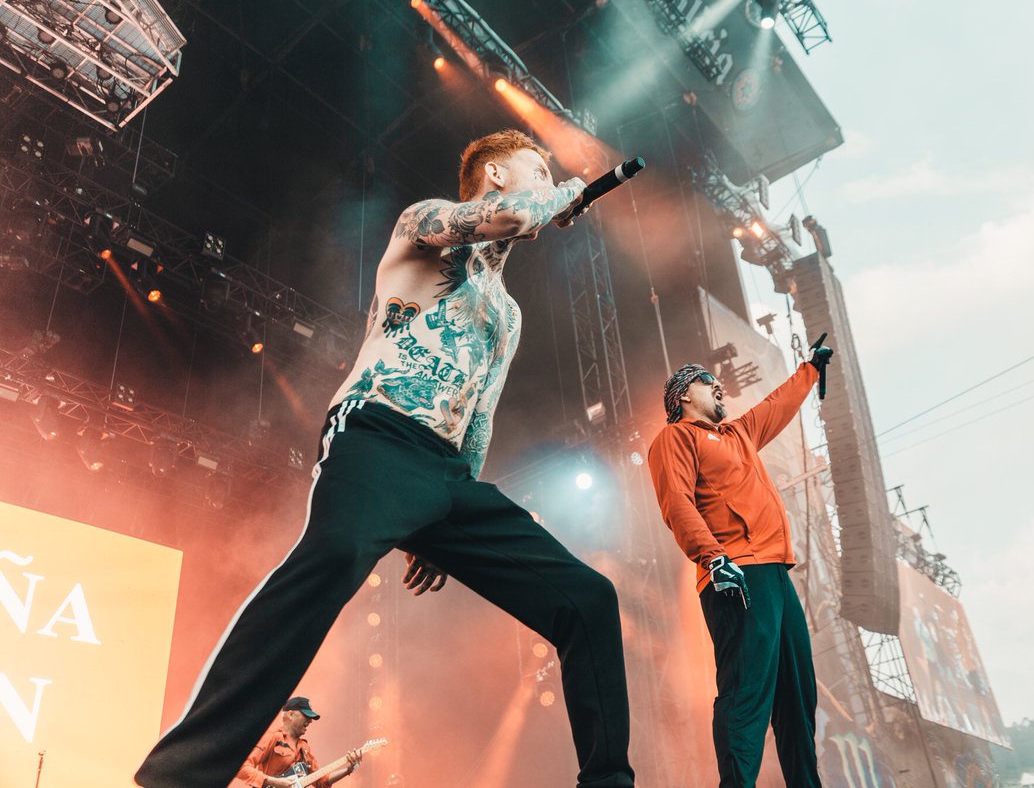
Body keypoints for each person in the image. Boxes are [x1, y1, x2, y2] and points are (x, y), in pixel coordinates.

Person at [136, 130, 635, 788]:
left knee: (588, 598)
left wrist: (446, 515)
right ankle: (180, 774)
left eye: (550, 176)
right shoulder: (425, 226)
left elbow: (479, 413)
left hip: (447, 477)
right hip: (375, 432)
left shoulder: (508, 316)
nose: (545, 182)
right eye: (534, 170)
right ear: (493, 175)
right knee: (331, 562)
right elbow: (515, 215)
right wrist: (566, 192)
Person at [647, 349, 832, 788]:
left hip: (774, 573)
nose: (719, 385)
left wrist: (810, 369)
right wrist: (712, 556)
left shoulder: (739, 434)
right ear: (684, 395)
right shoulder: (676, 438)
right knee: (746, 694)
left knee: (798, 697)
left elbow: (776, 406)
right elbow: (676, 502)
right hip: (735, 571)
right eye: (707, 379)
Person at [235, 697, 362, 788]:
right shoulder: (273, 737)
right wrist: (274, 782)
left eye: (311, 718)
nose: (310, 721)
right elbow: (241, 768)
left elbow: (322, 781)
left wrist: (348, 769)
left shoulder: (304, 748)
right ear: (290, 715)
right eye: (306, 716)